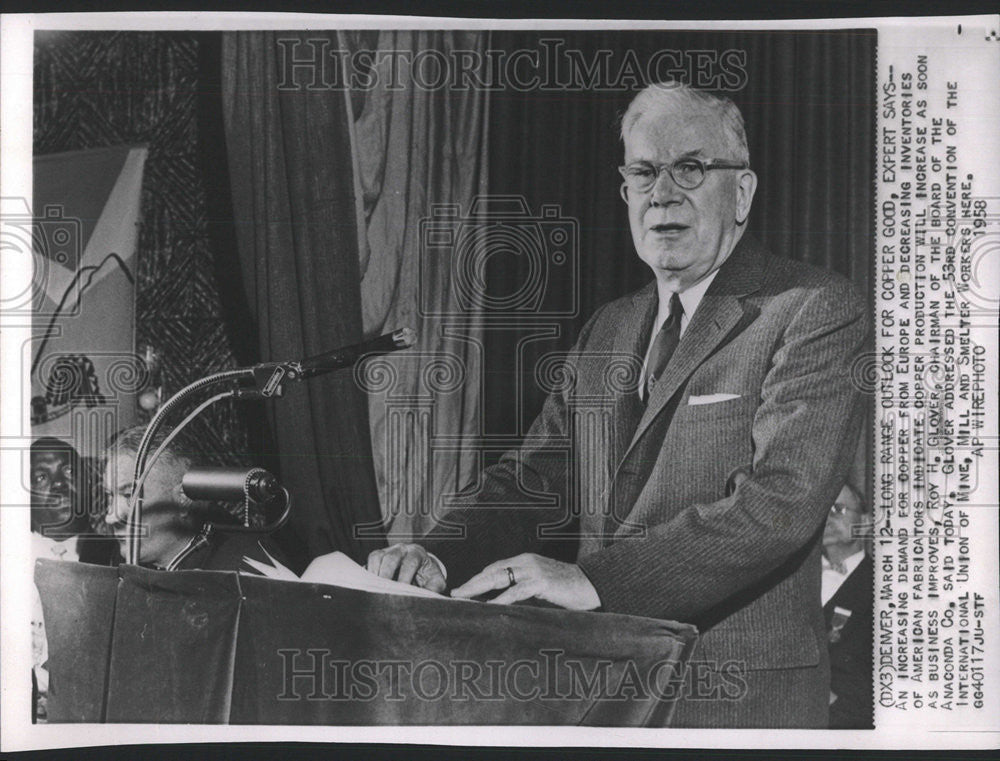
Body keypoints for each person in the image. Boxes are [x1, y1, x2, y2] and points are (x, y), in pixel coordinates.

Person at [367, 80, 869, 727]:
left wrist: (595, 581)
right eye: (644, 171)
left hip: (737, 703)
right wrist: (437, 555)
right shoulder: (609, 326)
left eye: (691, 167)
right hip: (599, 693)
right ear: (626, 192)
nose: (664, 191)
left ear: (741, 192)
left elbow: (779, 503)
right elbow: (535, 479)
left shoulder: (812, 308)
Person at [103, 426, 286, 572]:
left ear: (184, 498)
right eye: (110, 495)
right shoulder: (118, 560)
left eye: (130, 496)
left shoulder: (248, 565)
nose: (111, 517)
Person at [822, 483, 874, 729]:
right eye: (820, 509)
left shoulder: (885, 588)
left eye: (838, 509)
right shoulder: (793, 581)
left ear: (864, 523)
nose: (827, 517)